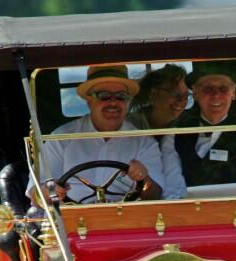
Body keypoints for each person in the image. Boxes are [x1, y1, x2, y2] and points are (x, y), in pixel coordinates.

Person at [29, 65, 164, 204]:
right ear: (89, 100)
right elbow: (35, 193)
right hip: (70, 219)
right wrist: (52, 191)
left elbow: (156, 195)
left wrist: (144, 178)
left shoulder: (144, 142)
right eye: (104, 96)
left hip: (125, 218)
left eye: (121, 96)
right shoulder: (61, 138)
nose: (113, 102)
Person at [172, 62, 236, 196]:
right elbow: (172, 188)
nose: (216, 95)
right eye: (207, 89)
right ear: (195, 93)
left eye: (223, 88)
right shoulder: (176, 133)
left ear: (233, 93)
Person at [129, 64, 188, 198]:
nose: (182, 101)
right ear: (154, 93)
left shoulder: (186, 128)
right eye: (175, 94)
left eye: (186, 95)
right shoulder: (130, 126)